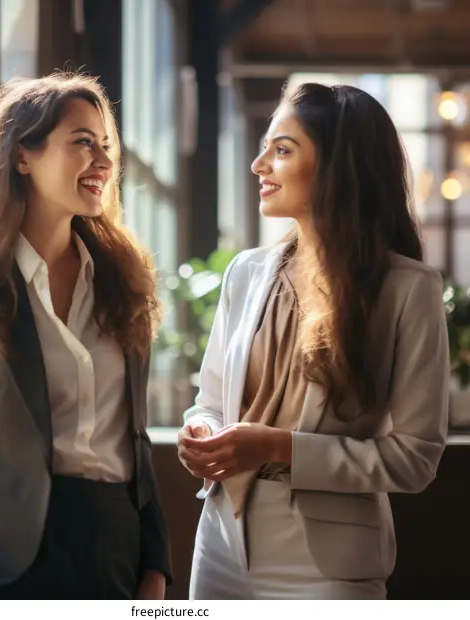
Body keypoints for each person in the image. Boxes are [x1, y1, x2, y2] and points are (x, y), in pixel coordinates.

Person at [0, 73, 171, 600]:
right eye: (83, 143)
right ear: (23, 156)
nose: (104, 164)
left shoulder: (124, 285)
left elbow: (134, 439)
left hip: (115, 556)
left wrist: (155, 560)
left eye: (107, 147)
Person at [177, 82, 449, 600]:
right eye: (265, 148)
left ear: (338, 168)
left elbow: (414, 458)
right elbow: (211, 400)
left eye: (281, 150)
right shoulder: (245, 273)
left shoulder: (408, 290)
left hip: (328, 568)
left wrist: (279, 447)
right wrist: (204, 432)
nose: (259, 165)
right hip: (220, 546)